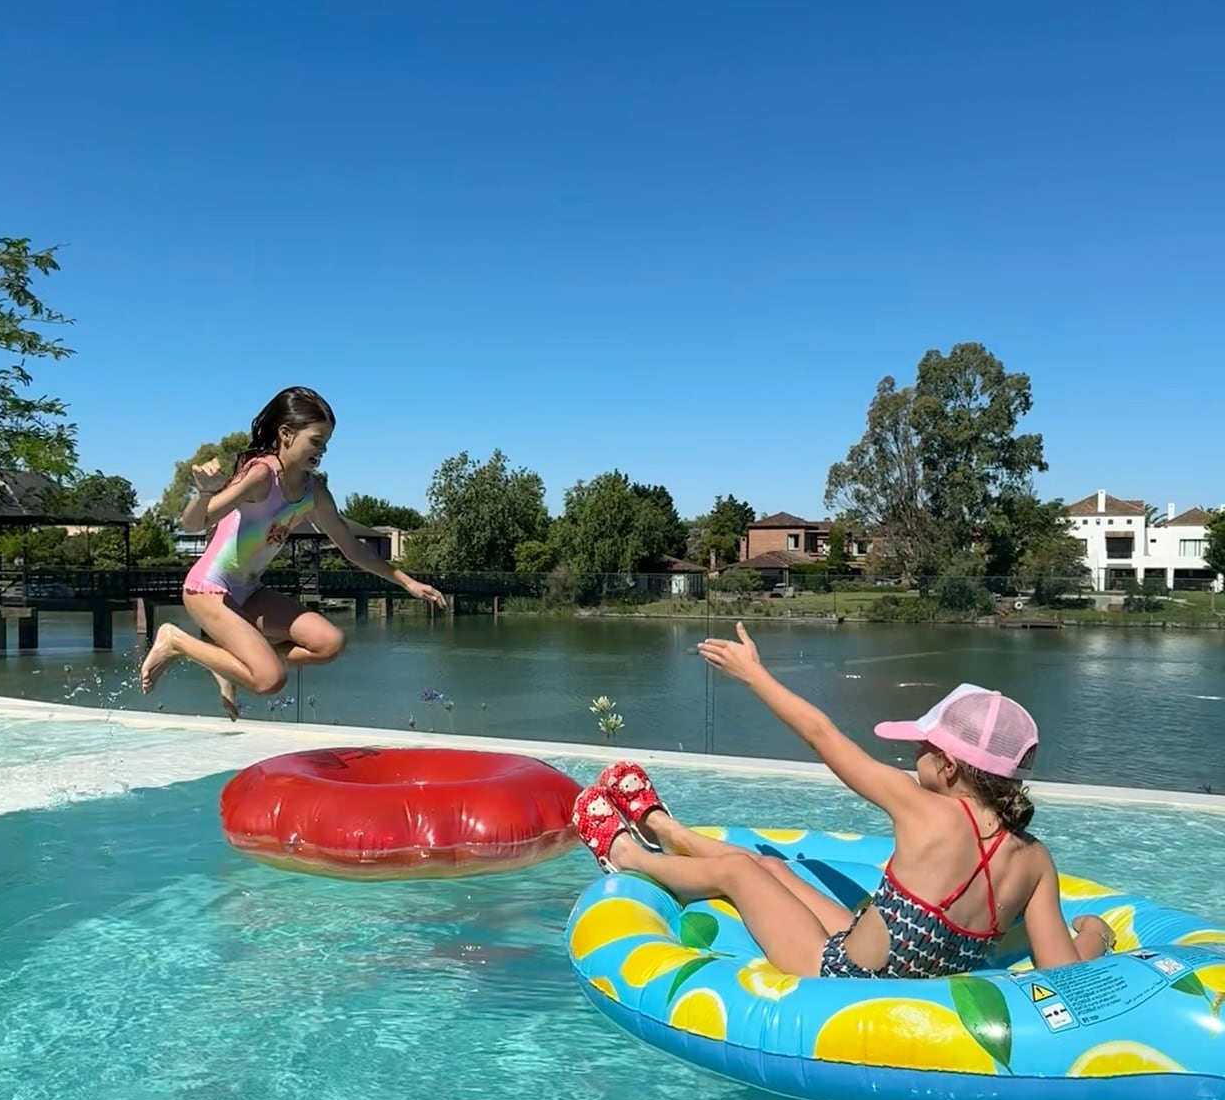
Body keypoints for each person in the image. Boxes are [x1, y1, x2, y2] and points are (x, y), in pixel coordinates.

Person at [571, 624, 1115, 978]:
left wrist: (753, 674)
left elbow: (823, 737)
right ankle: (672, 834)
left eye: (922, 748)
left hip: (838, 976)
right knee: (769, 866)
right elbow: (1059, 974)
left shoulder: (923, 808)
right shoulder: (1035, 860)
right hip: (874, 954)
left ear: (949, 767)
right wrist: (1093, 934)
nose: (912, 758)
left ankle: (632, 856)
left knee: (741, 872)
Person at [141, 387, 444, 714]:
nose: (322, 450)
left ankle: (230, 662)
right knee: (269, 680)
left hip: (248, 590)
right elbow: (194, 523)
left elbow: (352, 548)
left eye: (326, 444)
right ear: (286, 434)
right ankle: (176, 641)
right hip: (209, 589)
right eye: (316, 441)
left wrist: (406, 581)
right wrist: (203, 493)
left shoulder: (314, 492)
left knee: (329, 643)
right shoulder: (261, 475)